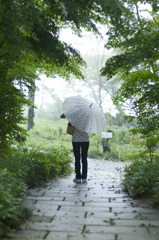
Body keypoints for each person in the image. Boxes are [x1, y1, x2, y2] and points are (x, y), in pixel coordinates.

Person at [60, 113, 89, 183]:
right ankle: (84, 178)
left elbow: (62, 116)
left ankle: (78, 177)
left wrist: (69, 113)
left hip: (76, 140)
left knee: (77, 159)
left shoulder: (73, 116)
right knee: (84, 158)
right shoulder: (88, 117)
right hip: (85, 140)